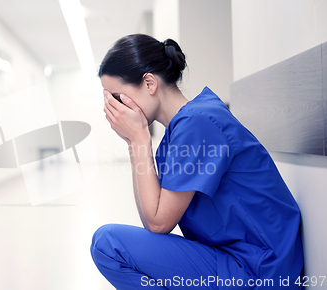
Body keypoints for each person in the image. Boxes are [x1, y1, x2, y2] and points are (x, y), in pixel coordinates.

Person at [90, 34, 304, 289]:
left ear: (149, 83)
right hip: (236, 262)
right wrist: (132, 141)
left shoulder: (198, 123)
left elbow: (159, 223)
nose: (113, 109)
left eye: (117, 97)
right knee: (106, 244)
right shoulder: (179, 131)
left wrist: (137, 140)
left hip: (259, 271)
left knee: (108, 243)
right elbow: (151, 222)